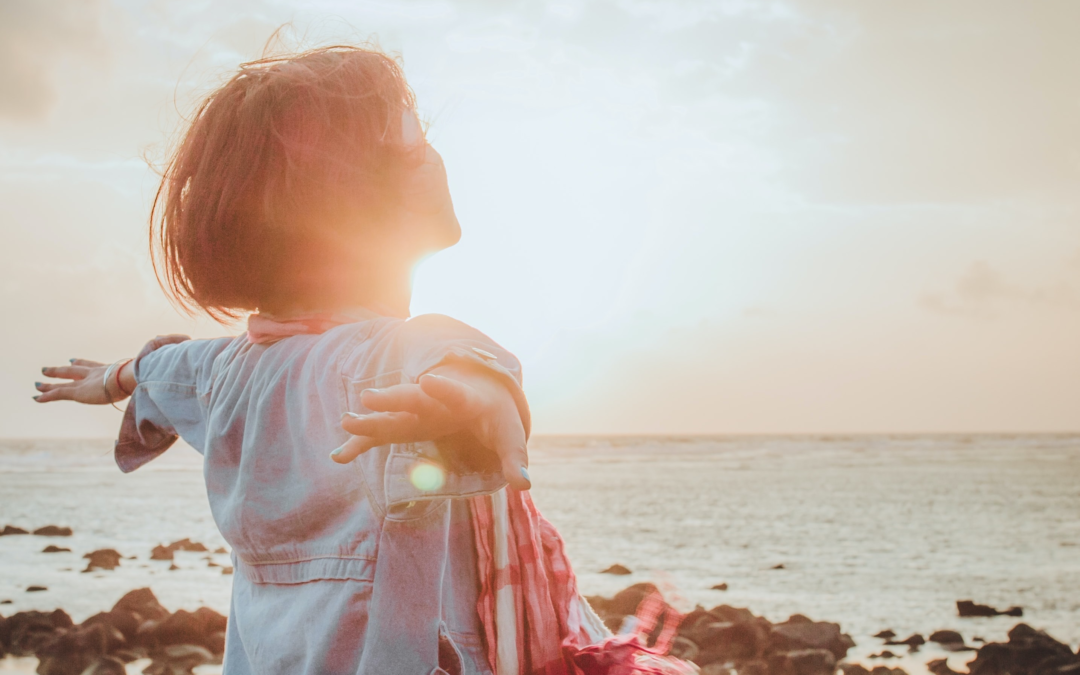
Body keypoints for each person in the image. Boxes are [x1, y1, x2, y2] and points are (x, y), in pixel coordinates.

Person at [34, 45, 538, 674]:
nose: (430, 154)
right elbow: (449, 358)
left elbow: (166, 370)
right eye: (411, 143)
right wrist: (474, 396)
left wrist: (112, 379)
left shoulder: (228, 370)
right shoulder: (384, 357)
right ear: (363, 200)